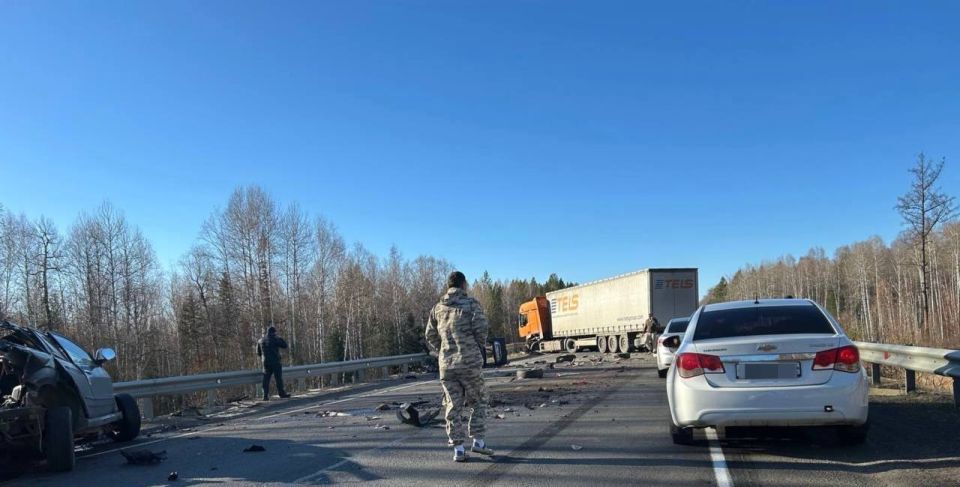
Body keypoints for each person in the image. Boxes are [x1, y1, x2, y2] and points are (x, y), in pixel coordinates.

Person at [425, 271, 493, 463]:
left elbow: (429, 335)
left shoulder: (437, 308)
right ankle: (478, 442)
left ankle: (458, 449)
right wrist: (477, 348)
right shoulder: (471, 305)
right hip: (469, 362)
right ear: (463, 285)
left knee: (453, 405)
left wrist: (443, 350)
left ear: (448, 286)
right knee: (479, 400)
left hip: (446, 365)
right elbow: (481, 330)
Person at [257, 325, 290, 400]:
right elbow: (284, 345)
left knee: (266, 379)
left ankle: (265, 395)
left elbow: (258, 353)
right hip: (275, 362)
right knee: (278, 378)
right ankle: (281, 394)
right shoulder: (275, 339)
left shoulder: (260, 340)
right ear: (274, 333)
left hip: (266, 363)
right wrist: (280, 338)